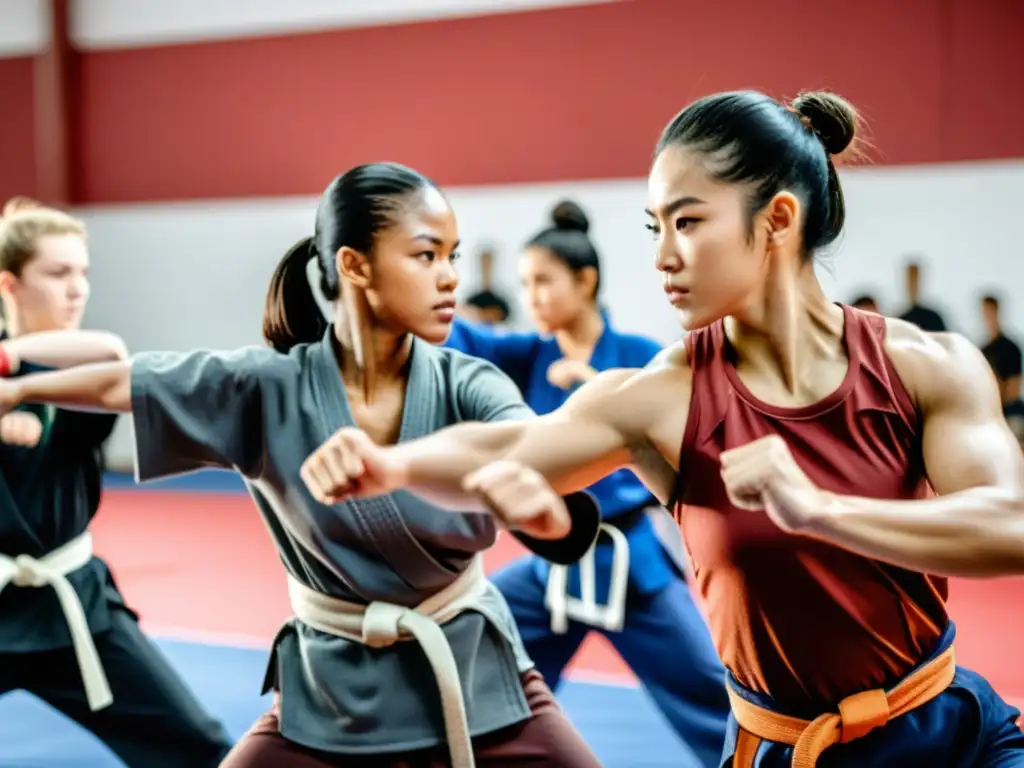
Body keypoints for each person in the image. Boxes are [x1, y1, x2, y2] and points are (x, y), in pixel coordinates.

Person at [300, 92, 1024, 767]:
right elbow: (510, 447)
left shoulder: (927, 364)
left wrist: (822, 511)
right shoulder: (664, 396)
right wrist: (389, 461)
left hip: (953, 737)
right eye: (656, 227)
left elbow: (1012, 525)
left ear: (776, 220)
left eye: (687, 221)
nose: (663, 257)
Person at [0, 165, 605, 768]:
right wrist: (18, 391)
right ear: (354, 265)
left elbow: (521, 448)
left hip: (475, 677)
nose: (450, 278)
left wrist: (541, 514)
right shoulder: (263, 389)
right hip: (327, 693)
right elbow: (121, 383)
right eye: (426, 256)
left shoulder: (470, 382)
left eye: (453, 256)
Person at [446, 200, 729, 766]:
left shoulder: (642, 359)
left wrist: (599, 389)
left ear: (586, 280)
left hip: (629, 564)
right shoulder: (528, 354)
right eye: (524, 284)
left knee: (715, 700)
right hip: (553, 561)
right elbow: (457, 338)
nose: (532, 298)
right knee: (469, 650)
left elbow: (694, 443)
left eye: (544, 282)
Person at [0, 198, 233, 767]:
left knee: (199, 748)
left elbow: (110, 352)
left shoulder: (83, 371)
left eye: (82, 273)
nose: (77, 289)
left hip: (74, 607)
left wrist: (8, 371)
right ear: (10, 284)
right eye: (58, 274)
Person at [980, 293, 1024, 446]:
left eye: (990, 311)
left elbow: (1014, 389)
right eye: (985, 312)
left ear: (997, 312)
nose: (987, 317)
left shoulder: (1010, 348)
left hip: (1010, 413)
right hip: (990, 414)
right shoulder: (982, 350)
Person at [898, 259, 947, 332]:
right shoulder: (900, 320)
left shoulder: (932, 318)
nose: (912, 284)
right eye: (910, 279)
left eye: (914, 278)